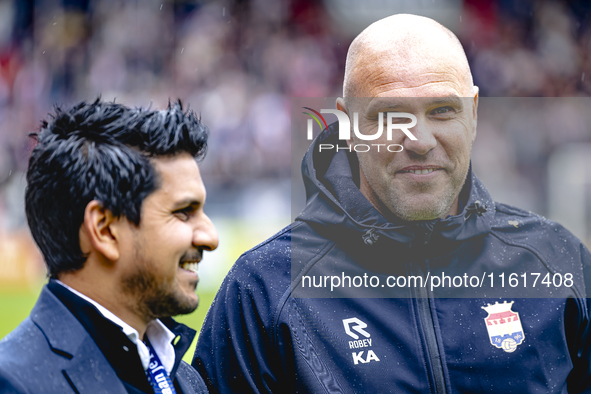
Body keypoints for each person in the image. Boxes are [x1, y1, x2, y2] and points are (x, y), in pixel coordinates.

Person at [192, 13, 591, 393]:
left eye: (442, 110)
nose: (418, 140)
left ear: (474, 113)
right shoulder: (264, 288)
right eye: (389, 116)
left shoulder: (557, 262)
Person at [0, 99, 219, 394]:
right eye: (183, 212)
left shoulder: (185, 380)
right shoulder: (15, 383)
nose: (210, 236)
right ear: (104, 229)